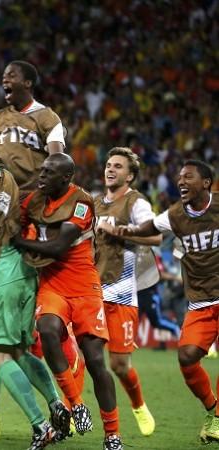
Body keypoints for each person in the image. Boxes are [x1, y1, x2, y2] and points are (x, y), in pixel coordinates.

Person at [14, 153, 123, 450]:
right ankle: (76, 404)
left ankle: (112, 435)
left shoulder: (81, 201)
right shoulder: (34, 199)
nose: (42, 175)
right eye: (42, 170)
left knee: (96, 360)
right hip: (52, 284)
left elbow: (60, 247)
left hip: (84, 285)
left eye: (49, 172)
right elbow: (16, 220)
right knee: (47, 329)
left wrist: (19, 241)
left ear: (66, 178)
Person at [115, 160, 219, 443]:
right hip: (200, 300)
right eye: (179, 176)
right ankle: (213, 409)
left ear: (207, 183)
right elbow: (150, 226)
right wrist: (127, 231)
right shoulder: (175, 215)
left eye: (188, 177)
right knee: (186, 358)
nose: (181, 181)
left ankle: (218, 421)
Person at [93, 147, 159, 436]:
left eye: (118, 166)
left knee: (119, 365)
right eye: (109, 165)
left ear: (130, 175)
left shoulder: (136, 202)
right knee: (85, 355)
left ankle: (138, 405)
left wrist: (122, 231)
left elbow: (156, 235)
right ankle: (71, 409)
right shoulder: (94, 203)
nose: (111, 169)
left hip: (121, 293)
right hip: (91, 291)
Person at [0, 60, 65, 192]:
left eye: (11, 76)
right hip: (2, 193)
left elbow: (57, 160)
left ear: (27, 83)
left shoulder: (47, 116)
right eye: (4, 77)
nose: (5, 80)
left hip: (34, 195)